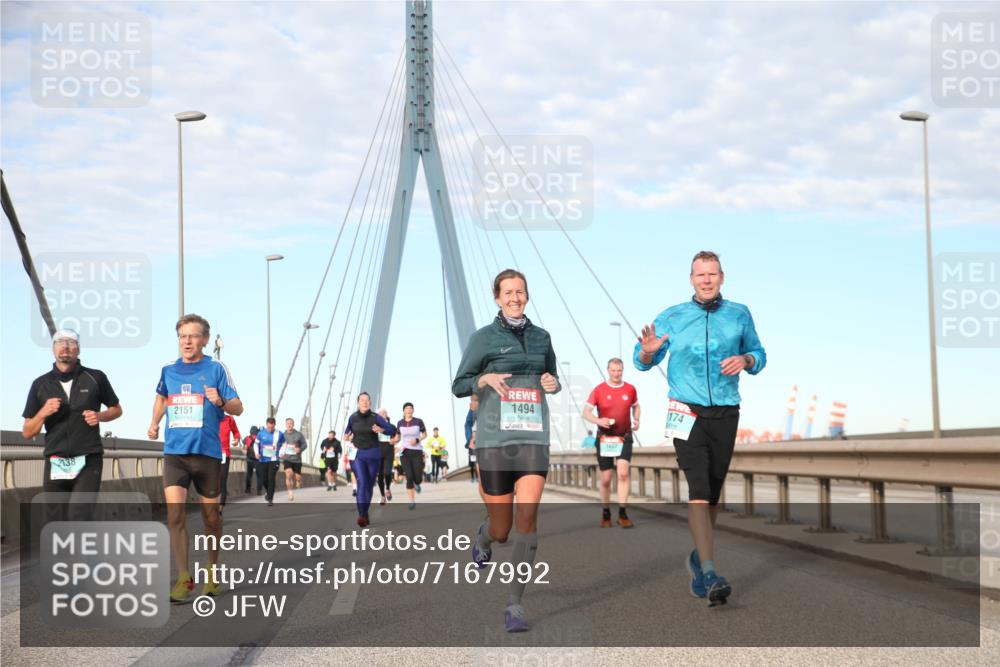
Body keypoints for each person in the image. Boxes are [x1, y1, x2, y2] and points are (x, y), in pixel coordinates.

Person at [635, 250, 766, 607]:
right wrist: (647, 353)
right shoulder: (673, 316)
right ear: (691, 279)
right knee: (698, 486)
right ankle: (709, 570)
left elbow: (759, 354)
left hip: (726, 411)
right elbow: (642, 360)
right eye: (699, 275)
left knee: (713, 493)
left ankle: (697, 558)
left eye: (712, 274)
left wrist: (747, 359)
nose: (706, 280)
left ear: (722, 277)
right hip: (685, 409)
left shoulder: (739, 313)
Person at [452, 268, 560, 633]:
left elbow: (552, 378)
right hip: (495, 441)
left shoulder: (542, 337)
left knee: (527, 520)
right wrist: (482, 378)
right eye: (508, 292)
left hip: (533, 439)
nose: (515, 297)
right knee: (502, 529)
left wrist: (553, 383)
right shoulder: (483, 339)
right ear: (497, 297)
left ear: (527, 295)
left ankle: (515, 603)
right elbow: (459, 384)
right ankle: (484, 536)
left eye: (520, 291)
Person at [147, 314, 242, 603]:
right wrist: (153, 422)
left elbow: (238, 407)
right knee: (174, 515)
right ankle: (184, 578)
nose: (187, 341)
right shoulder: (168, 371)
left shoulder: (216, 369)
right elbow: (162, 398)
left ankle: (213, 572)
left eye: (193, 336)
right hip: (175, 453)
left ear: (204, 340)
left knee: (211, 517)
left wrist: (221, 402)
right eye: (182, 336)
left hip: (207, 454)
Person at [22, 329, 122, 502]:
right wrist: (43, 413)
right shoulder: (40, 384)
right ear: (53, 349)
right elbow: (27, 432)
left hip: (88, 459)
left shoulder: (95, 377)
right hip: (55, 461)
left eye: (71, 342)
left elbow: (116, 409)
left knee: (79, 514)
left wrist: (99, 416)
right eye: (60, 342)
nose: (65, 347)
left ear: (79, 349)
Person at [583, 358, 641, 528]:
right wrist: (599, 420)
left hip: (624, 436)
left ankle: (622, 513)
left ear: (623, 370)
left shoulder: (630, 389)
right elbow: (586, 412)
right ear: (608, 370)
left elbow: (637, 406)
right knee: (606, 479)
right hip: (605, 438)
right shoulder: (599, 390)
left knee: (623, 473)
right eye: (613, 371)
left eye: (619, 371)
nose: (617, 374)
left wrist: (636, 419)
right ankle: (606, 511)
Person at [343, 393, 397, 527]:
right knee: (362, 482)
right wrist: (346, 436)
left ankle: (365, 511)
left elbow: (392, 430)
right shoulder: (353, 418)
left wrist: (382, 429)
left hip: (373, 454)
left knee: (369, 484)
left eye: (367, 400)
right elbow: (347, 432)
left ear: (370, 403)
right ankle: (361, 515)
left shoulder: (376, 417)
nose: (364, 402)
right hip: (358, 455)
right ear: (358, 403)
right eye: (362, 400)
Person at [395, 402, 428, 510]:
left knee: (417, 476)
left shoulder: (418, 421)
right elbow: (398, 437)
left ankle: (417, 483)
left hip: (417, 451)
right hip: (404, 452)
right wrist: (393, 443)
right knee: (409, 476)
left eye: (410, 408)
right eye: (407, 408)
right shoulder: (399, 423)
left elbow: (425, 434)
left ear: (413, 410)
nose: (409, 410)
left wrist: (417, 439)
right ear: (403, 411)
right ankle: (412, 501)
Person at [254, 417, 284, 506]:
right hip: (262, 459)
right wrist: (256, 453)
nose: (270, 429)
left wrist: (282, 452)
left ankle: (270, 498)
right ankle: (268, 492)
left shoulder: (279, 434)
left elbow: (284, 444)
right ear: (267, 425)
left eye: (272, 427)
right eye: (269, 427)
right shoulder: (261, 433)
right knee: (263, 479)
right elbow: (256, 444)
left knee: (271, 478)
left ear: (274, 425)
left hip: (274, 460)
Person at [217, 414, 241, 512]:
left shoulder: (229, 419)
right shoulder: (207, 416)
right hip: (209, 453)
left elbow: (236, 432)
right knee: (211, 482)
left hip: (224, 454)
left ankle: (220, 510)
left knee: (222, 481)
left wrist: (237, 439)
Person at [375, 409, 398, 505]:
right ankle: (382, 496)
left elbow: (397, 436)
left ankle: (387, 488)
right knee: (380, 475)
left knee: (387, 473)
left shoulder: (391, 426)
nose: (382, 415)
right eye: (380, 414)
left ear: (386, 415)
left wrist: (394, 440)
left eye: (384, 413)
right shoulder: (374, 427)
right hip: (377, 452)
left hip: (389, 452)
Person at [281, 418, 306, 501]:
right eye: (287, 423)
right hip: (287, 458)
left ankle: (298, 481)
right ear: (285, 424)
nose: (289, 425)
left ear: (293, 424)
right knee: (288, 474)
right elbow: (278, 445)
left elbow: (305, 445)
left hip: (297, 459)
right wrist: (280, 452)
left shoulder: (298, 435)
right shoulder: (282, 435)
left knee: (298, 477)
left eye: (291, 423)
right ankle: (290, 493)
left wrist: (300, 449)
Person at [464, 394, 478, 483]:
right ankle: (474, 478)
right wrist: (470, 439)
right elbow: (467, 424)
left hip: (482, 440)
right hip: (472, 446)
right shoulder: (472, 411)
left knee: (478, 463)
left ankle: (477, 477)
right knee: (473, 463)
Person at [244, 425, 259, 493]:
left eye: (255, 434)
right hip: (250, 459)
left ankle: (257, 489)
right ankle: (248, 489)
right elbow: (243, 446)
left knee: (257, 475)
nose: (254, 435)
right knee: (251, 475)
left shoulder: (248, 438)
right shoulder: (247, 438)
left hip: (256, 459)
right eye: (253, 434)